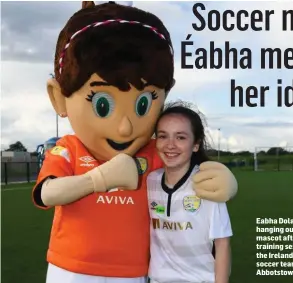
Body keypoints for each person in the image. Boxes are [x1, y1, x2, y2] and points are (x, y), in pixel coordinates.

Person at [32, 2, 237, 283]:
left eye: (143, 104)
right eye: (102, 104)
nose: (125, 126)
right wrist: (97, 180)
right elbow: (46, 193)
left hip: (131, 272)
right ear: (58, 97)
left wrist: (222, 178)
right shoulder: (69, 148)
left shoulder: (153, 151)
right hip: (71, 268)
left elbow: (183, 166)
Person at [147, 102, 233, 283]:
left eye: (180, 138)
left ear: (195, 145)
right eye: (163, 136)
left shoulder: (207, 184)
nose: (170, 145)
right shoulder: (150, 181)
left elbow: (222, 244)